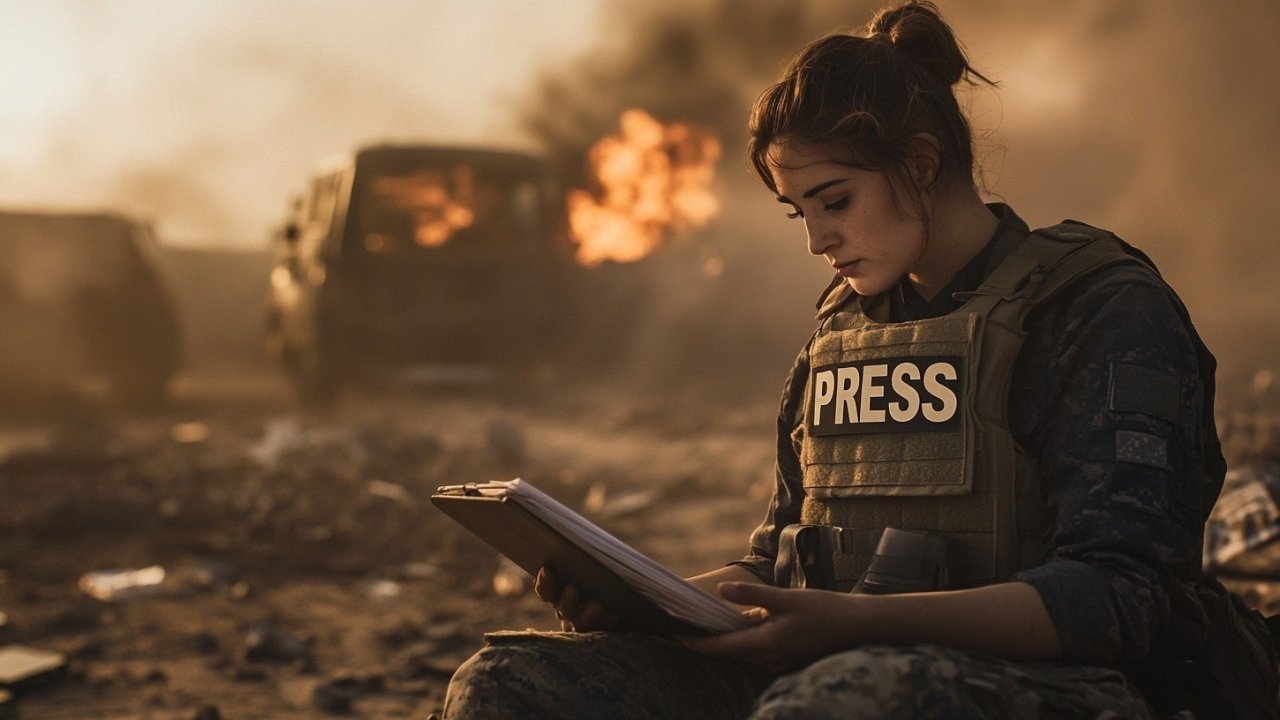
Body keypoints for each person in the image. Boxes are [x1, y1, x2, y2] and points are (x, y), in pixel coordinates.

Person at [440, 2, 1279, 718]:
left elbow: (1123, 599)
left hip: (1069, 689)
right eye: (795, 210)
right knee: (513, 684)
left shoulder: (1097, 308)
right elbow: (781, 557)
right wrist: (642, 605)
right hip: (842, 669)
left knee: (836, 701)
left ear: (918, 163)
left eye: (834, 201)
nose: (816, 239)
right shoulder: (843, 332)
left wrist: (856, 626)